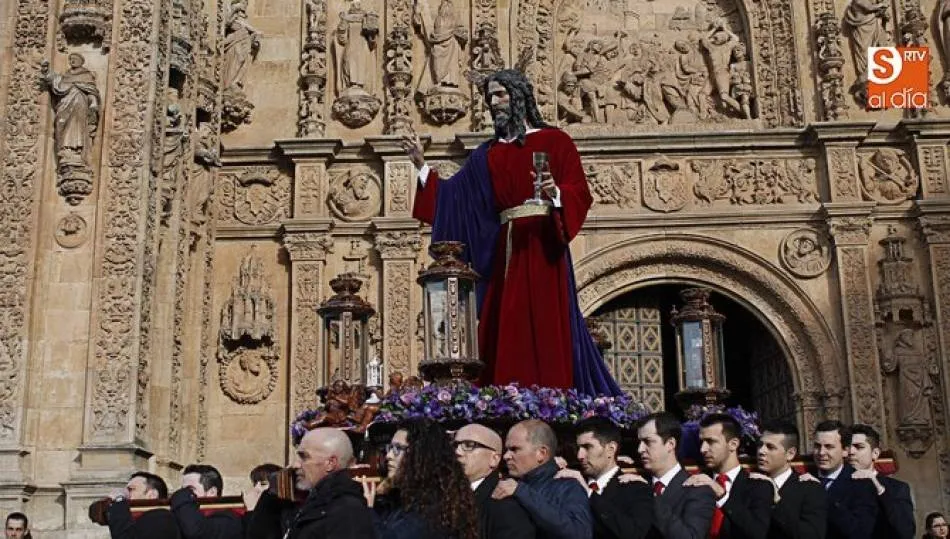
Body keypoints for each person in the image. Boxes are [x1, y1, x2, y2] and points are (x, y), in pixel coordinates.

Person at [404, 68, 621, 397]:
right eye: (490, 96)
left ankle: (552, 396)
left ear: (519, 96)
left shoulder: (555, 141)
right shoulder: (488, 153)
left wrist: (555, 193)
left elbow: (579, 189)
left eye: (500, 94)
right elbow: (455, 197)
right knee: (506, 321)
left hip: (543, 244)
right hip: (505, 249)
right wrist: (422, 168)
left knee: (548, 318)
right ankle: (506, 395)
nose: (494, 102)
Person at [245, 428, 376, 539]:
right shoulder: (310, 503)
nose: (296, 465)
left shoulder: (347, 510)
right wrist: (272, 495)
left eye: (304, 457)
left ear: (330, 463)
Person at [366, 420, 478, 539]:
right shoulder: (404, 496)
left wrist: (368, 509)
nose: (388, 455)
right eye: (390, 447)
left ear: (421, 455)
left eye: (398, 448)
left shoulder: (432, 505)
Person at [554, 417, 653, 539]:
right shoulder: (569, 479)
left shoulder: (636, 489)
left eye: (587, 447)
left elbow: (633, 534)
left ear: (611, 449)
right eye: (578, 448)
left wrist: (589, 493)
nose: (580, 455)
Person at [493, 419, 592, 539]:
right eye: (507, 450)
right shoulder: (510, 485)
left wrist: (522, 492)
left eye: (514, 449)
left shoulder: (567, 487)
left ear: (541, 453)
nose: (506, 456)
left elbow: (579, 533)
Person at [689, 413, 771, 539]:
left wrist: (722, 496)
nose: (703, 449)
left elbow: (758, 533)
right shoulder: (696, 482)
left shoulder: (758, 486)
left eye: (711, 441)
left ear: (733, 444)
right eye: (702, 442)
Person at [636, 412, 715, 539]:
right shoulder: (637, 486)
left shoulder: (698, 490)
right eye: (639, 442)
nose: (640, 449)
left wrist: (651, 497)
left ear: (670, 444)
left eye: (648, 442)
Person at [453, 423, 536, 539]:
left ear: (494, 459)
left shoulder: (506, 508)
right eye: (455, 445)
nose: (458, 452)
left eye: (469, 445)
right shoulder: (445, 493)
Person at [755, 421, 826, 539]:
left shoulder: (810, 489)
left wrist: (777, 500)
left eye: (770, 447)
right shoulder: (751, 484)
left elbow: (812, 535)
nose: (761, 451)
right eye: (760, 445)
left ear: (790, 454)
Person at [808, 421, 877, 539]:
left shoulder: (861, 484)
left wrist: (821, 494)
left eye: (829, 447)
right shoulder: (802, 480)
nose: (821, 452)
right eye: (817, 446)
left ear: (845, 450)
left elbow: (860, 533)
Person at [848, 424, 915, 539]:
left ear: (875, 453)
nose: (851, 452)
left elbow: (906, 531)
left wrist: (880, 489)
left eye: (859, 447)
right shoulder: (833, 486)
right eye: (847, 447)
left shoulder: (897, 488)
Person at [170, 464, 244, 539]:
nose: (184, 495)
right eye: (183, 490)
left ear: (212, 492)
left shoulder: (229, 520)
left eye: (190, 489)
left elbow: (195, 531)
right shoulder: (183, 513)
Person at [104, 472, 180, 539]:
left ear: (152, 495)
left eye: (131, 489)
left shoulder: (161, 518)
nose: (126, 495)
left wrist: (119, 500)